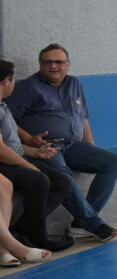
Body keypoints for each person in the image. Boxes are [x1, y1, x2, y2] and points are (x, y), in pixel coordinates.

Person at [4, 44, 117, 242]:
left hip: (74, 145)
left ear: (68, 65)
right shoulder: (28, 87)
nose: (53, 66)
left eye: (59, 62)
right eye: (48, 62)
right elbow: (9, 118)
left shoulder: (75, 84)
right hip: (46, 147)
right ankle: (93, 224)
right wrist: (29, 139)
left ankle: (79, 224)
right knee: (63, 173)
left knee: (113, 162)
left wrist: (90, 145)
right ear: (40, 64)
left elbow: (83, 118)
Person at [0, 59, 73, 253]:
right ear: (6, 81)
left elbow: (13, 143)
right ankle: (39, 238)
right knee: (39, 180)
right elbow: (2, 151)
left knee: (62, 182)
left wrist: (35, 152)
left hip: (14, 158)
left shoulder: (3, 106)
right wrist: (28, 164)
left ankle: (22, 229)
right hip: (4, 163)